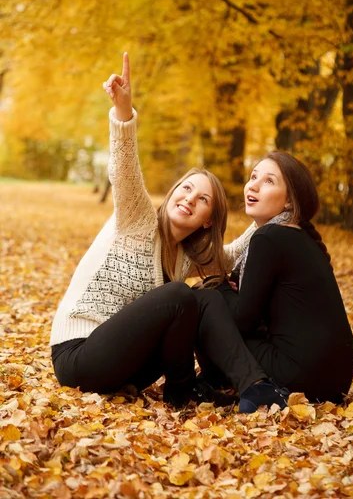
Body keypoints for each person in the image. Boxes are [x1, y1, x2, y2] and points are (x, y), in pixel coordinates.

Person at [50, 52, 284, 411]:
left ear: (208, 219)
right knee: (180, 294)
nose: (189, 199)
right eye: (186, 188)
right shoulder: (138, 218)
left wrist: (271, 214)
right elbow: (125, 168)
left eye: (202, 199)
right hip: (80, 354)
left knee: (202, 296)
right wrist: (123, 114)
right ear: (174, 191)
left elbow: (230, 253)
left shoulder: (186, 258)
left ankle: (251, 387)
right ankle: (184, 388)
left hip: (128, 368)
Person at [196, 151, 353, 413]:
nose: (254, 185)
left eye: (269, 181)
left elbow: (242, 322)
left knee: (204, 300)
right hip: (336, 382)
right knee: (214, 295)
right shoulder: (298, 235)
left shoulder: (269, 237)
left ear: (290, 202)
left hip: (302, 378)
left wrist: (222, 287)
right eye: (253, 177)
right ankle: (219, 378)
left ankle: (212, 380)